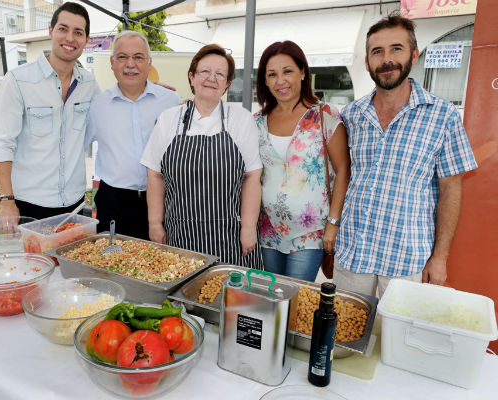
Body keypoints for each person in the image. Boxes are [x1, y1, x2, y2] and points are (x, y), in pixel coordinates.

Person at [335, 13, 477, 299]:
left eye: (396, 49)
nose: (387, 59)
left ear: (413, 55)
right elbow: (341, 175)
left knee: (395, 340)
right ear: (367, 63)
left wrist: (440, 258)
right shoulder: (352, 115)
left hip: (406, 262)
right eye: (377, 52)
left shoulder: (442, 115)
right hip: (353, 254)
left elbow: (451, 188)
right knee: (343, 335)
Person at [141, 44, 263, 268]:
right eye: (205, 71)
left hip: (230, 238)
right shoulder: (170, 119)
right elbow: (154, 175)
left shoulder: (240, 119)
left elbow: (252, 177)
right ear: (192, 77)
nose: (211, 78)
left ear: (227, 84)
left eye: (220, 74)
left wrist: (247, 228)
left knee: (231, 299)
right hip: (180, 236)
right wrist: (155, 223)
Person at [0, 2, 97, 222]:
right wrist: (7, 201)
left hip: (74, 203)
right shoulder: (19, 80)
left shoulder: (89, 83)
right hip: (29, 203)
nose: (70, 38)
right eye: (63, 29)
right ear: (50, 31)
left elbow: (114, 107)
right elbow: (2, 144)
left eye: (78, 32)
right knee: (33, 258)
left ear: (86, 40)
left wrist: (147, 88)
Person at [254, 41, 350, 282]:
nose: (280, 81)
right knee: (270, 298)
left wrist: (333, 223)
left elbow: (343, 169)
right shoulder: (256, 121)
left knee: (294, 298)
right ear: (264, 80)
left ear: (303, 72)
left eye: (288, 71)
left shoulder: (324, 115)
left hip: (311, 232)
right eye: (272, 74)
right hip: (267, 229)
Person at [85, 31, 181, 239]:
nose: (130, 64)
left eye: (138, 57)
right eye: (122, 57)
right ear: (112, 63)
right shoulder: (97, 106)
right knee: (111, 266)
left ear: (149, 62)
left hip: (164, 202)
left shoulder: (172, 102)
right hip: (113, 204)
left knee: (163, 267)